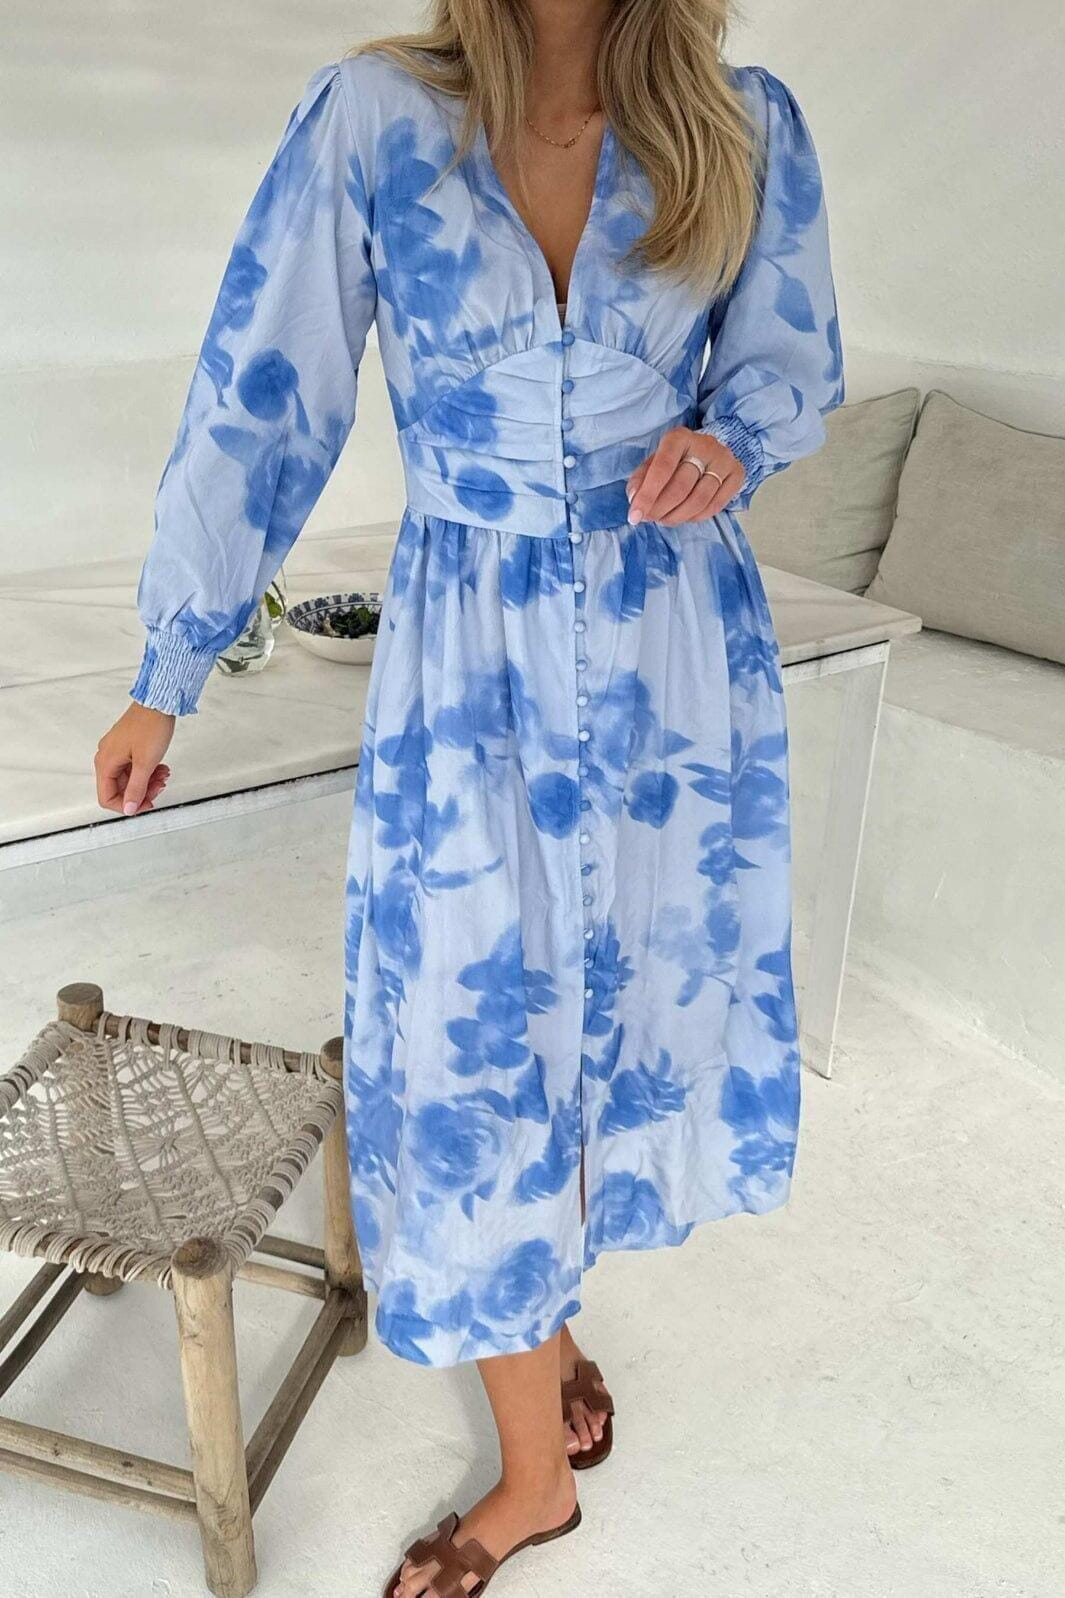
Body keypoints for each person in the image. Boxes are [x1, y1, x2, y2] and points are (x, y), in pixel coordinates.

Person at [94, 2, 844, 1592]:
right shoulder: (378, 117)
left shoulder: (741, 122)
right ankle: (534, 1464)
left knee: (611, 1009)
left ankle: (536, 1361)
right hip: (469, 650)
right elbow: (264, 386)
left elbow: (788, 366)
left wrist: (731, 443)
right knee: (472, 1041)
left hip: (670, 652)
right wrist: (171, 660)